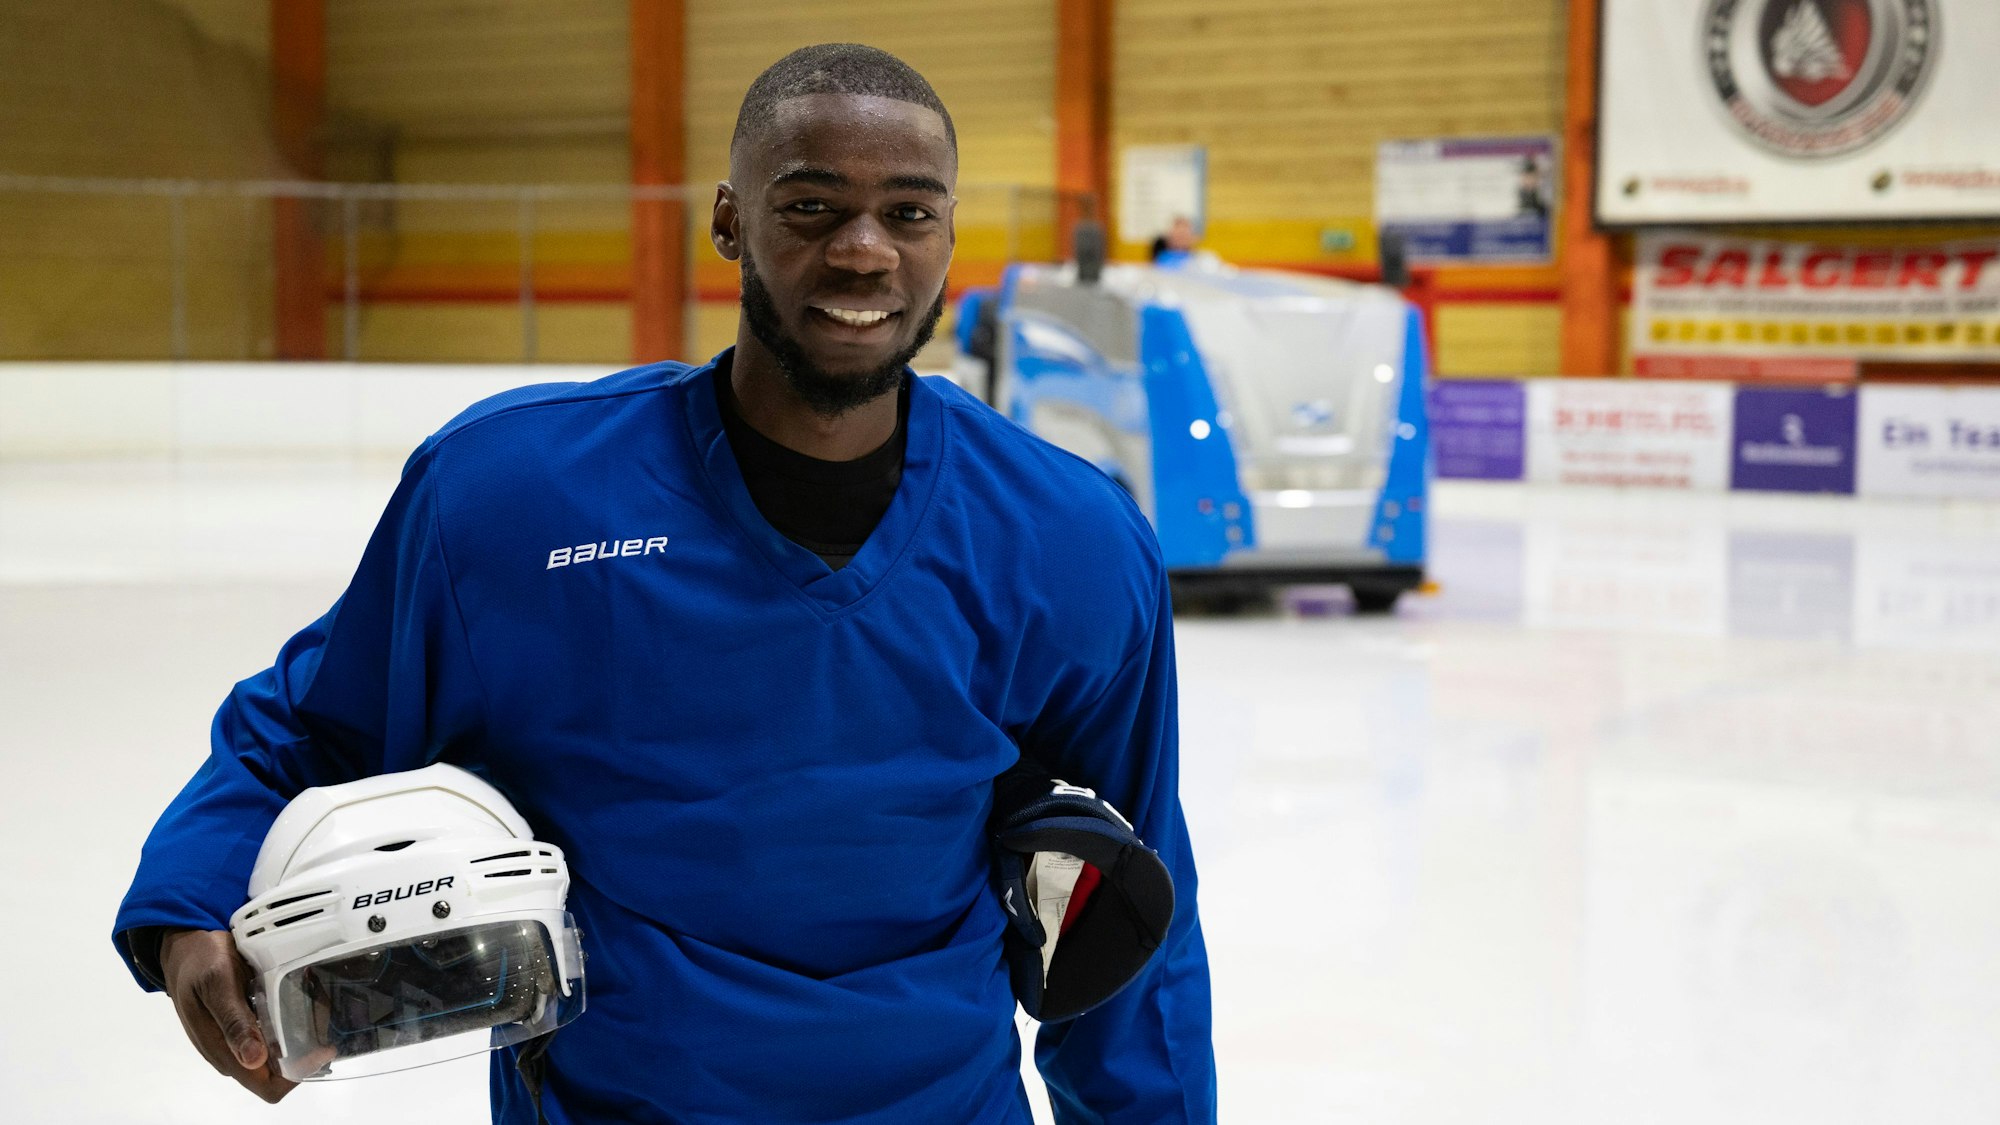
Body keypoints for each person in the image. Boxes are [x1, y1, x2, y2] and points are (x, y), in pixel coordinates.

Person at [112, 42, 1216, 1124]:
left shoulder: (1068, 537)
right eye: (811, 207)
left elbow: (1128, 908)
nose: (864, 251)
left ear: (948, 236)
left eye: (909, 213)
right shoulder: (514, 495)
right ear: (729, 221)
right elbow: (308, 725)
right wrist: (190, 898)